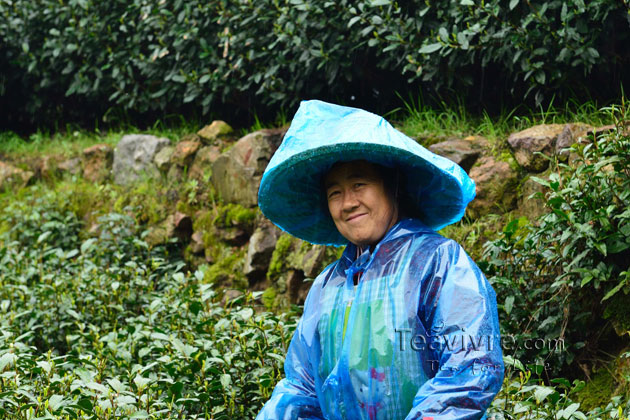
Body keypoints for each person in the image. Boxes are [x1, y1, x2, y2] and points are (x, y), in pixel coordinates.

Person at [256, 100, 504, 420]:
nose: (348, 203)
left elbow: (469, 370)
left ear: (392, 187)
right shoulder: (326, 286)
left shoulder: (438, 264)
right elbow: (301, 388)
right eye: (334, 192)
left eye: (359, 184)